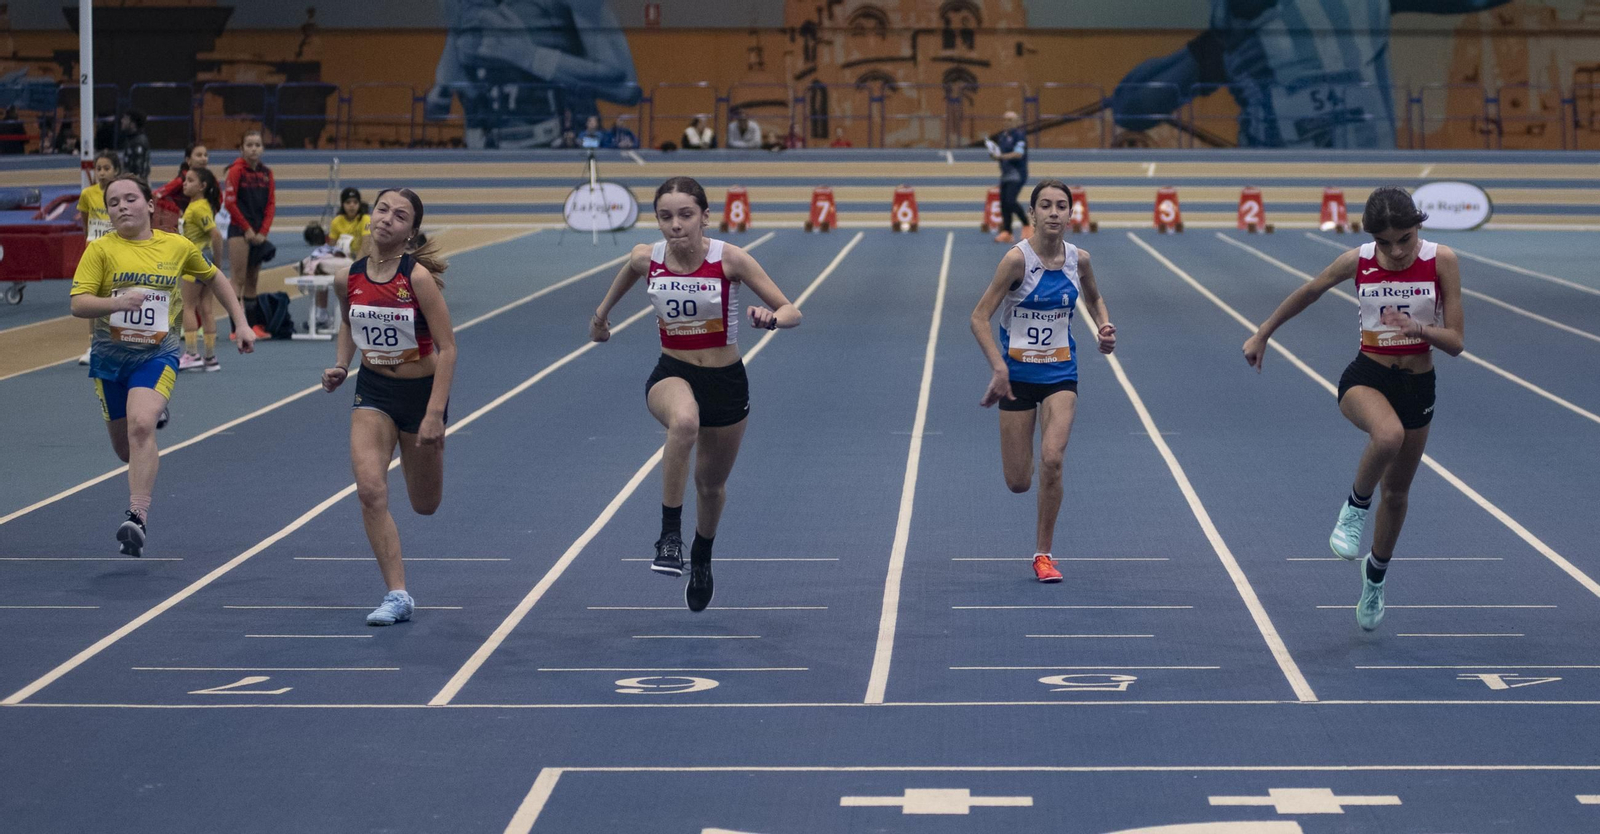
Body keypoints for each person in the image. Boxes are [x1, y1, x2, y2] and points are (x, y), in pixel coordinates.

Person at [1242, 187, 1464, 631]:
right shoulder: (1358, 260)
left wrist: (1420, 327)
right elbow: (1310, 291)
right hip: (1367, 375)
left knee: (1397, 495)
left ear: (1418, 227)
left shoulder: (1442, 260)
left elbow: (1456, 342)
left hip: (1418, 384)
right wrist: (1263, 332)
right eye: (1386, 242)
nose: (1396, 251)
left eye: (1404, 239)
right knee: (1387, 435)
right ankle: (1353, 510)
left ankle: (1375, 578)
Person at [588, 176, 800, 612]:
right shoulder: (648, 258)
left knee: (711, 486)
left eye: (685, 215)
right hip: (673, 373)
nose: (675, 225)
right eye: (666, 217)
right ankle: (670, 536)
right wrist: (600, 317)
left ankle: (702, 555)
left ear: (705, 216)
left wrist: (772, 318)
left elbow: (792, 309)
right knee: (684, 421)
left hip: (725, 382)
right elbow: (628, 272)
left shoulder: (731, 259)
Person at [69, 174, 255, 557]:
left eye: (130, 199)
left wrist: (241, 322)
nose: (122, 207)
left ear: (150, 205)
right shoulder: (100, 251)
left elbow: (215, 277)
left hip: (157, 355)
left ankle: (136, 518)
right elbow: (79, 303)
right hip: (110, 361)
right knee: (126, 449)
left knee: (141, 426)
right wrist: (117, 303)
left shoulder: (176, 246)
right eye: (114, 202)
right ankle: (153, 410)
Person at [322, 189, 457, 627]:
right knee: (370, 491)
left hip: (420, 397)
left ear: (410, 232)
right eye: (382, 210)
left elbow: (449, 348)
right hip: (374, 391)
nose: (386, 219)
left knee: (425, 504)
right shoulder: (348, 277)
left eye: (399, 216)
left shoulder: (416, 278)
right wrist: (342, 365)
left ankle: (428, 445)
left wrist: (435, 413)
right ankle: (397, 594)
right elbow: (347, 321)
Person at [970, 179, 1116, 583]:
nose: (1054, 212)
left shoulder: (1079, 260)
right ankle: (1027, 466)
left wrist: (1104, 326)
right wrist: (999, 367)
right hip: (1016, 379)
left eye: (1062, 206)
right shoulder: (1016, 261)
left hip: (1060, 374)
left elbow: (1094, 297)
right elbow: (978, 317)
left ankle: (1043, 554)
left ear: (1072, 214)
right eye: (1046, 206)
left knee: (1053, 459)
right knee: (1019, 481)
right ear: (1032, 214)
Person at [1112, 0, 1508, 149]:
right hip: (1283, 185)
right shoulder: (1240, 29)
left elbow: (1132, 106)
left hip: (1367, 186)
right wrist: (1215, 45)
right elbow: (1131, 106)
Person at [427, 0, 641, 150]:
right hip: (480, 145)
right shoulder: (457, 4)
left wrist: (531, 56)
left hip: (556, 144)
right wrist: (443, 86)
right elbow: (456, 43)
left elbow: (626, 90)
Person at [222, 130, 276, 340]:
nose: (254, 148)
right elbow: (230, 202)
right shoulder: (236, 171)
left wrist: (263, 232)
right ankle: (236, 328)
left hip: (258, 232)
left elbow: (271, 203)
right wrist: (246, 229)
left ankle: (252, 326)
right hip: (239, 231)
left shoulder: (266, 173)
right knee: (238, 279)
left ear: (262, 148)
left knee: (253, 279)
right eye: (249, 145)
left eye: (257, 145)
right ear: (242, 148)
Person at [177, 167, 227, 372]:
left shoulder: (198, 208)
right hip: (203, 260)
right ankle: (210, 356)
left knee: (187, 306)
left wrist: (218, 262)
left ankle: (191, 353)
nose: (184, 183)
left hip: (195, 260)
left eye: (190, 180)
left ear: (202, 186)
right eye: (185, 180)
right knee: (206, 308)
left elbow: (215, 235)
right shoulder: (199, 206)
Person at [74, 151, 122, 366]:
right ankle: (94, 345)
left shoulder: (121, 194)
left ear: (116, 171)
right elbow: (86, 221)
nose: (102, 173)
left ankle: (118, 342)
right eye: (99, 168)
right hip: (94, 250)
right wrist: (91, 240)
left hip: (116, 252)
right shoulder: (88, 194)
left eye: (106, 168)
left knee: (116, 295)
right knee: (92, 297)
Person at [985, 111, 1029, 243]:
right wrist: (995, 156)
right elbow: (1001, 155)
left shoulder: (1019, 136)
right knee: (1004, 203)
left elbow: (1018, 153)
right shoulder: (1002, 137)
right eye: (1005, 120)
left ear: (1017, 122)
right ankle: (1007, 232)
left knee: (1010, 201)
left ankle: (1027, 225)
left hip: (1017, 173)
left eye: (1010, 120)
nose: (1007, 122)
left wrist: (1001, 157)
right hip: (1005, 173)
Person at [118, 109, 150, 181]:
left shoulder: (139, 142)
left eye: (125, 119)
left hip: (136, 184)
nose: (122, 121)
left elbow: (138, 170)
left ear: (133, 123)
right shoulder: (130, 139)